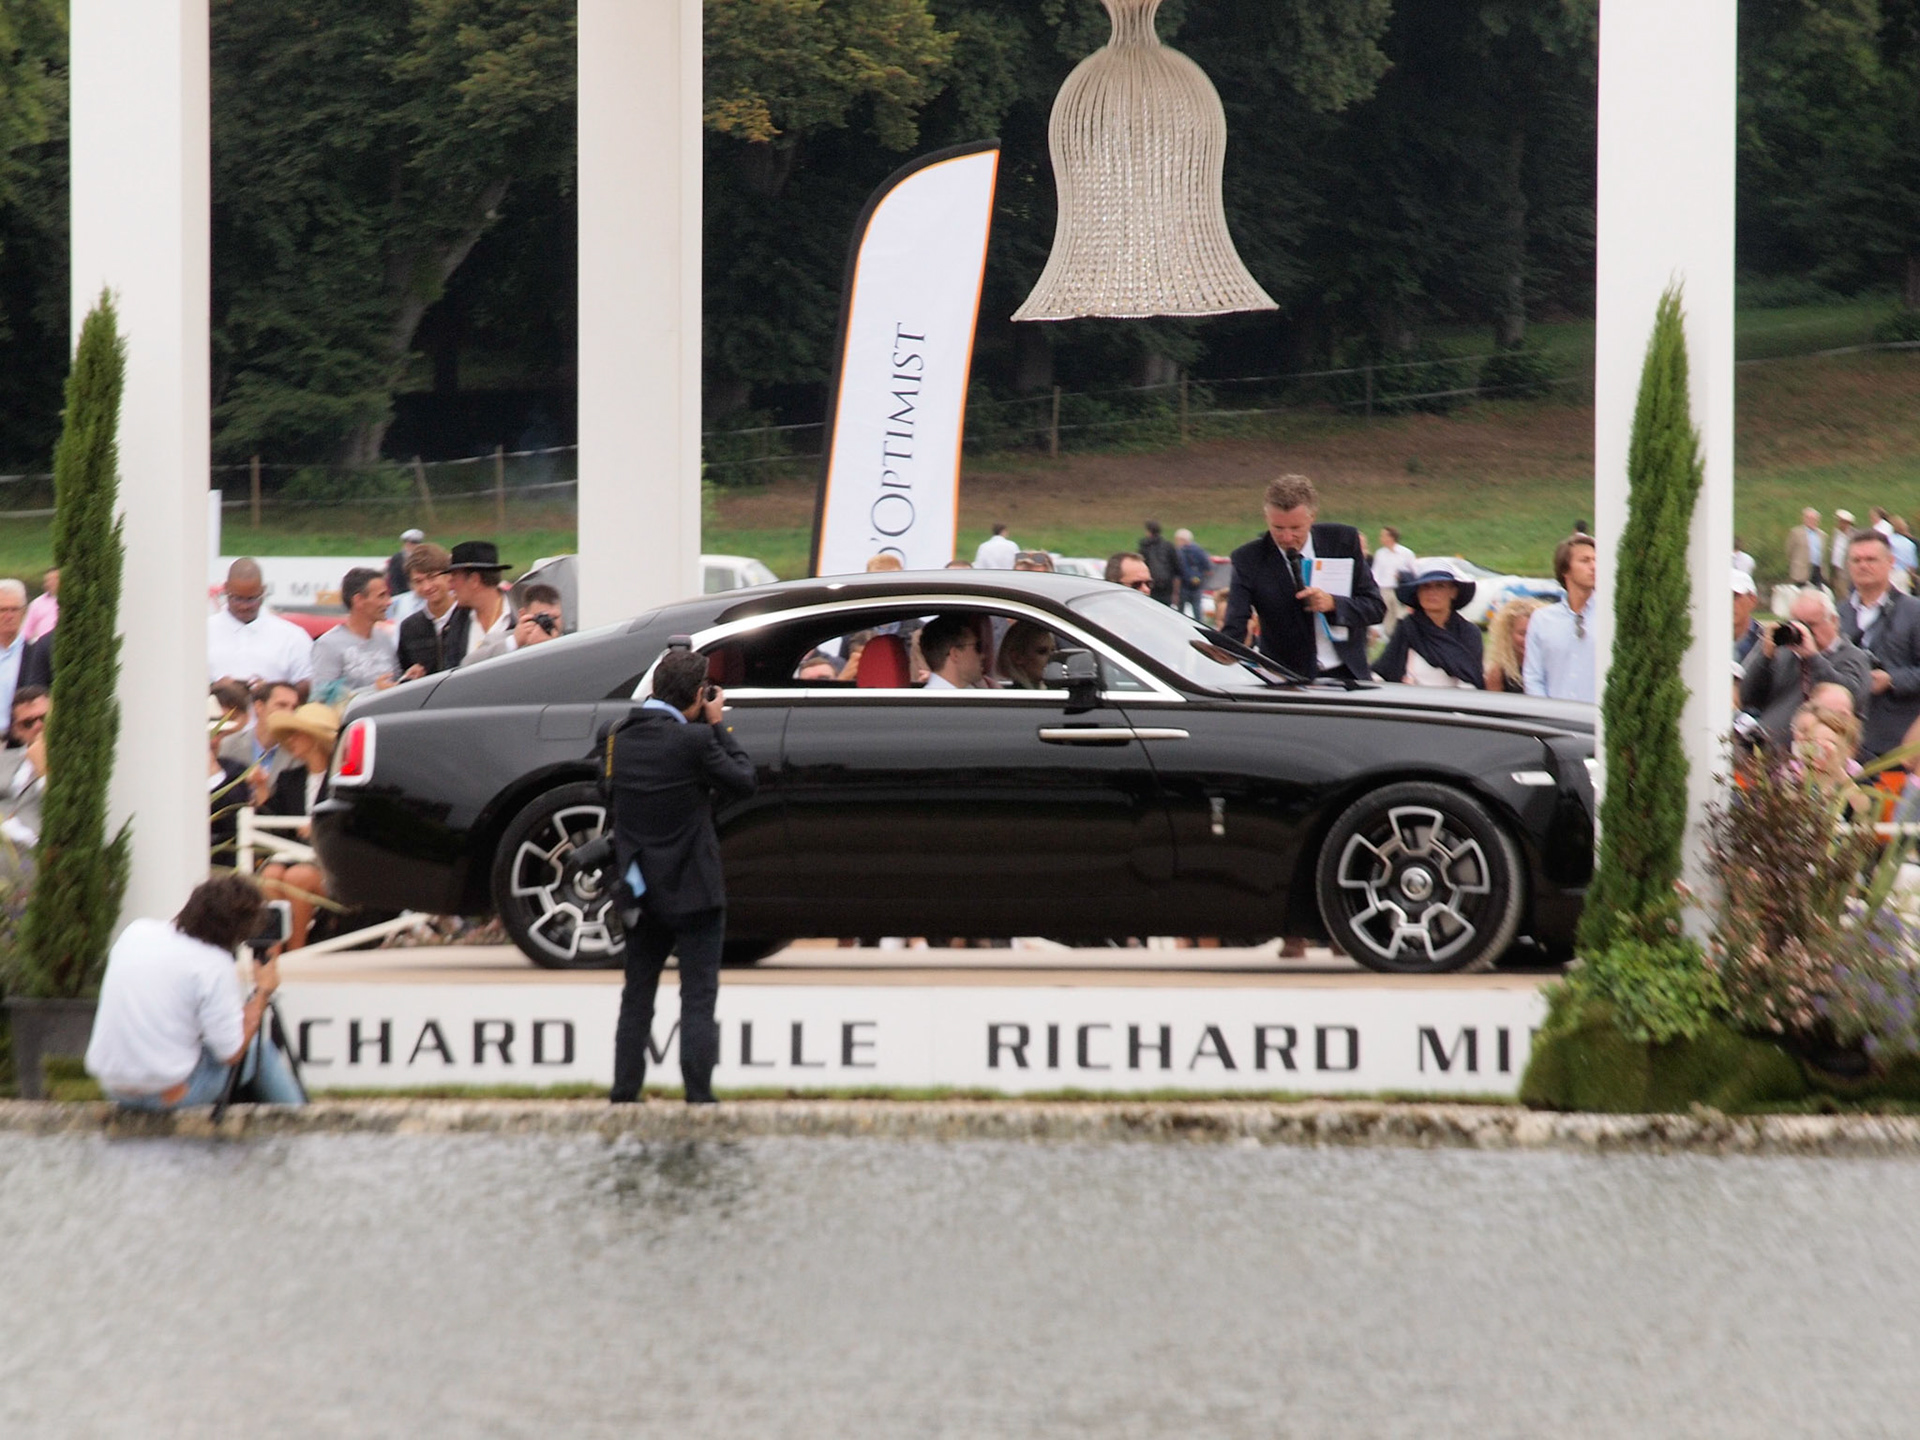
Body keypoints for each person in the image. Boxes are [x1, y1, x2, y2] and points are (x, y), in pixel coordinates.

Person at [608, 647, 757, 1104]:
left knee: (637, 996)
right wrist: (717, 724)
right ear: (698, 695)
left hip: (639, 887)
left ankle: (624, 1094)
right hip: (695, 888)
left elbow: (606, 793)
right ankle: (698, 1096)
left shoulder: (616, 736)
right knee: (697, 997)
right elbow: (744, 780)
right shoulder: (694, 741)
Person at [83, 874, 302, 1109]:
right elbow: (232, 1053)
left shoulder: (137, 931)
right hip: (165, 1097)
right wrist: (262, 992)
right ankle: (301, 1120)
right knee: (257, 1047)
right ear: (236, 929)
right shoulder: (214, 964)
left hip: (113, 1088)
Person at [1221, 474, 1384, 681]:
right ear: (1266, 518)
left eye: (1296, 528)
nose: (1287, 538)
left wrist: (1333, 604)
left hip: (1348, 675)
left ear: (1312, 517)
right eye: (1278, 528)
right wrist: (1220, 654)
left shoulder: (1342, 541)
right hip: (1286, 679)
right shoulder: (1248, 559)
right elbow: (1235, 625)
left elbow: (1375, 607)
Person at [1738, 587, 1873, 748]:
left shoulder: (1853, 657)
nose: (1803, 632)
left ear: (1834, 621)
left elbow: (1851, 698)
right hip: (1769, 750)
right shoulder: (1783, 653)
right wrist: (1765, 657)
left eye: (1811, 625)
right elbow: (1748, 698)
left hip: (1820, 753)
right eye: (1797, 624)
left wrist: (1813, 657)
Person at [253, 703, 339, 950]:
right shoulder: (288, 779)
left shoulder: (341, 779)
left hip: (333, 867)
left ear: (314, 739)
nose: (290, 740)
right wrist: (261, 790)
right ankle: (272, 954)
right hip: (294, 858)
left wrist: (320, 827)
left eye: (296, 734)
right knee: (271, 875)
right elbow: (273, 828)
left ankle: (295, 953)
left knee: (297, 877)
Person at [1841, 528, 1920, 760]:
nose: (1863, 566)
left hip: (1897, 740)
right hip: (1847, 740)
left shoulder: (1914, 612)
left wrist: (1891, 680)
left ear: (1891, 562)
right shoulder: (1838, 614)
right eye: (1856, 560)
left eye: (1871, 559)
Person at [207, 557, 314, 691]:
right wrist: (216, 689)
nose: (244, 606)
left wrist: (268, 692)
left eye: (251, 599)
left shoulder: (293, 637)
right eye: (237, 598)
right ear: (226, 589)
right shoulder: (202, 632)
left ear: (263, 591)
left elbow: (307, 686)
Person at [1373, 562, 1484, 689]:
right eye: (1426, 586)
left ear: (1453, 592)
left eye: (1440, 586)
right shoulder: (1408, 628)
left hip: (1458, 699)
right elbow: (1385, 669)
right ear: (1417, 593)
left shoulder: (1469, 632)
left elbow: (1471, 678)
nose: (1432, 592)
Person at [1522, 534, 1597, 702]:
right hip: (1554, 715)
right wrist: (1546, 712)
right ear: (1565, 570)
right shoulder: (1542, 619)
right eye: (1584, 561)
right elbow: (1533, 677)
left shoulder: (1609, 616)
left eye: (1595, 560)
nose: (1593, 566)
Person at [309, 566, 398, 705]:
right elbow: (321, 700)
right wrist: (373, 691)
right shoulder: (328, 644)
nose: (389, 602)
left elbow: (395, 681)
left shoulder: (384, 639)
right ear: (358, 600)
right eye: (381, 596)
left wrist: (408, 677)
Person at [445, 541, 515, 666]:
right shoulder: (456, 623)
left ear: (474, 580)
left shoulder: (521, 613)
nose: (450, 587)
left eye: (454, 578)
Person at [218, 679, 299, 782]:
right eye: (281, 705)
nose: (289, 713)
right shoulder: (228, 746)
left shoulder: (297, 754)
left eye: (293, 708)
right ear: (259, 707)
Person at [396, 542, 456, 678]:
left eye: (432, 577)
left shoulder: (467, 617)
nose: (426, 587)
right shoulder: (409, 628)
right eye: (418, 581)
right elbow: (403, 671)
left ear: (448, 576)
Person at [1484, 597, 1547, 694]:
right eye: (1522, 634)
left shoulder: (1553, 667)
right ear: (1508, 634)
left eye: (1534, 634)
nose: (1529, 640)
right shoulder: (1498, 673)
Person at [1369, 525, 1418, 637]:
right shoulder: (1380, 553)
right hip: (1384, 590)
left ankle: (1404, 637)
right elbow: (1375, 573)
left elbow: (1414, 572)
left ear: (1391, 537)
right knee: (1387, 617)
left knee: (1401, 616)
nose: (1381, 538)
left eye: (1383, 535)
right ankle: (1391, 639)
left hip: (1399, 589)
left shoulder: (1406, 553)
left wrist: (1403, 577)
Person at [919, 614, 986, 690]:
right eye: (977, 647)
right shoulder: (934, 697)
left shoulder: (972, 691)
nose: (982, 656)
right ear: (955, 654)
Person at [0, 579, 29, 727]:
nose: (9, 616)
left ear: (23, 612)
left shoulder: (34, 653)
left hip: (19, 737)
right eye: (3, 610)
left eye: (14, 609)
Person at [996, 620, 1057, 689]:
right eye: (1042, 652)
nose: (1052, 657)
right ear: (1017, 657)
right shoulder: (1016, 693)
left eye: (1053, 651)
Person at [512, 582, 565, 650]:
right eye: (543, 618)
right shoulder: (510, 645)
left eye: (555, 617)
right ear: (523, 615)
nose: (550, 624)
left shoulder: (572, 641)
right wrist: (515, 642)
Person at [1137, 520, 1178, 605]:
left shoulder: (1144, 546)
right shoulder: (1168, 546)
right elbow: (1176, 565)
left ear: (1148, 531)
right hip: (1166, 584)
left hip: (1150, 583)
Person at [1173, 529, 1211, 618]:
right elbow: (1208, 568)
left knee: (1180, 612)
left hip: (1183, 585)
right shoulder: (1199, 550)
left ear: (1181, 539)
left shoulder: (1179, 552)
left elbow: (1177, 569)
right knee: (1197, 611)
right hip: (1197, 585)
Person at [1785, 507, 1824, 588]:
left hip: (1816, 569)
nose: (1812, 521)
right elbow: (1789, 550)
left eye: (1814, 519)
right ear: (1804, 519)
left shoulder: (1822, 535)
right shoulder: (1796, 532)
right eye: (1809, 518)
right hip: (1800, 570)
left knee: (1817, 591)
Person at [1732, 569, 1763, 670]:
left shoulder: (1765, 642)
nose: (1727, 602)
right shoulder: (1704, 639)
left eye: (1734, 596)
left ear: (1752, 600)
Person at [386, 527, 425, 599]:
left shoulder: (424, 557)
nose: (412, 546)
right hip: (401, 595)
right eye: (411, 543)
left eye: (416, 543)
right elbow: (394, 580)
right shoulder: (398, 558)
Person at [21, 567, 56, 642]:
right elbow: (26, 631)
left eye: (55, 579)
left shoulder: (71, 600)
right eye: (48, 580)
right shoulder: (37, 603)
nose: (52, 582)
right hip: (43, 645)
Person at [1830, 510, 1857, 602]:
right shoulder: (1836, 533)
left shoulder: (1853, 535)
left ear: (1847, 523)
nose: (1839, 524)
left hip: (1846, 571)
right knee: (1837, 593)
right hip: (1836, 569)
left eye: (1841, 522)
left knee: (1844, 595)